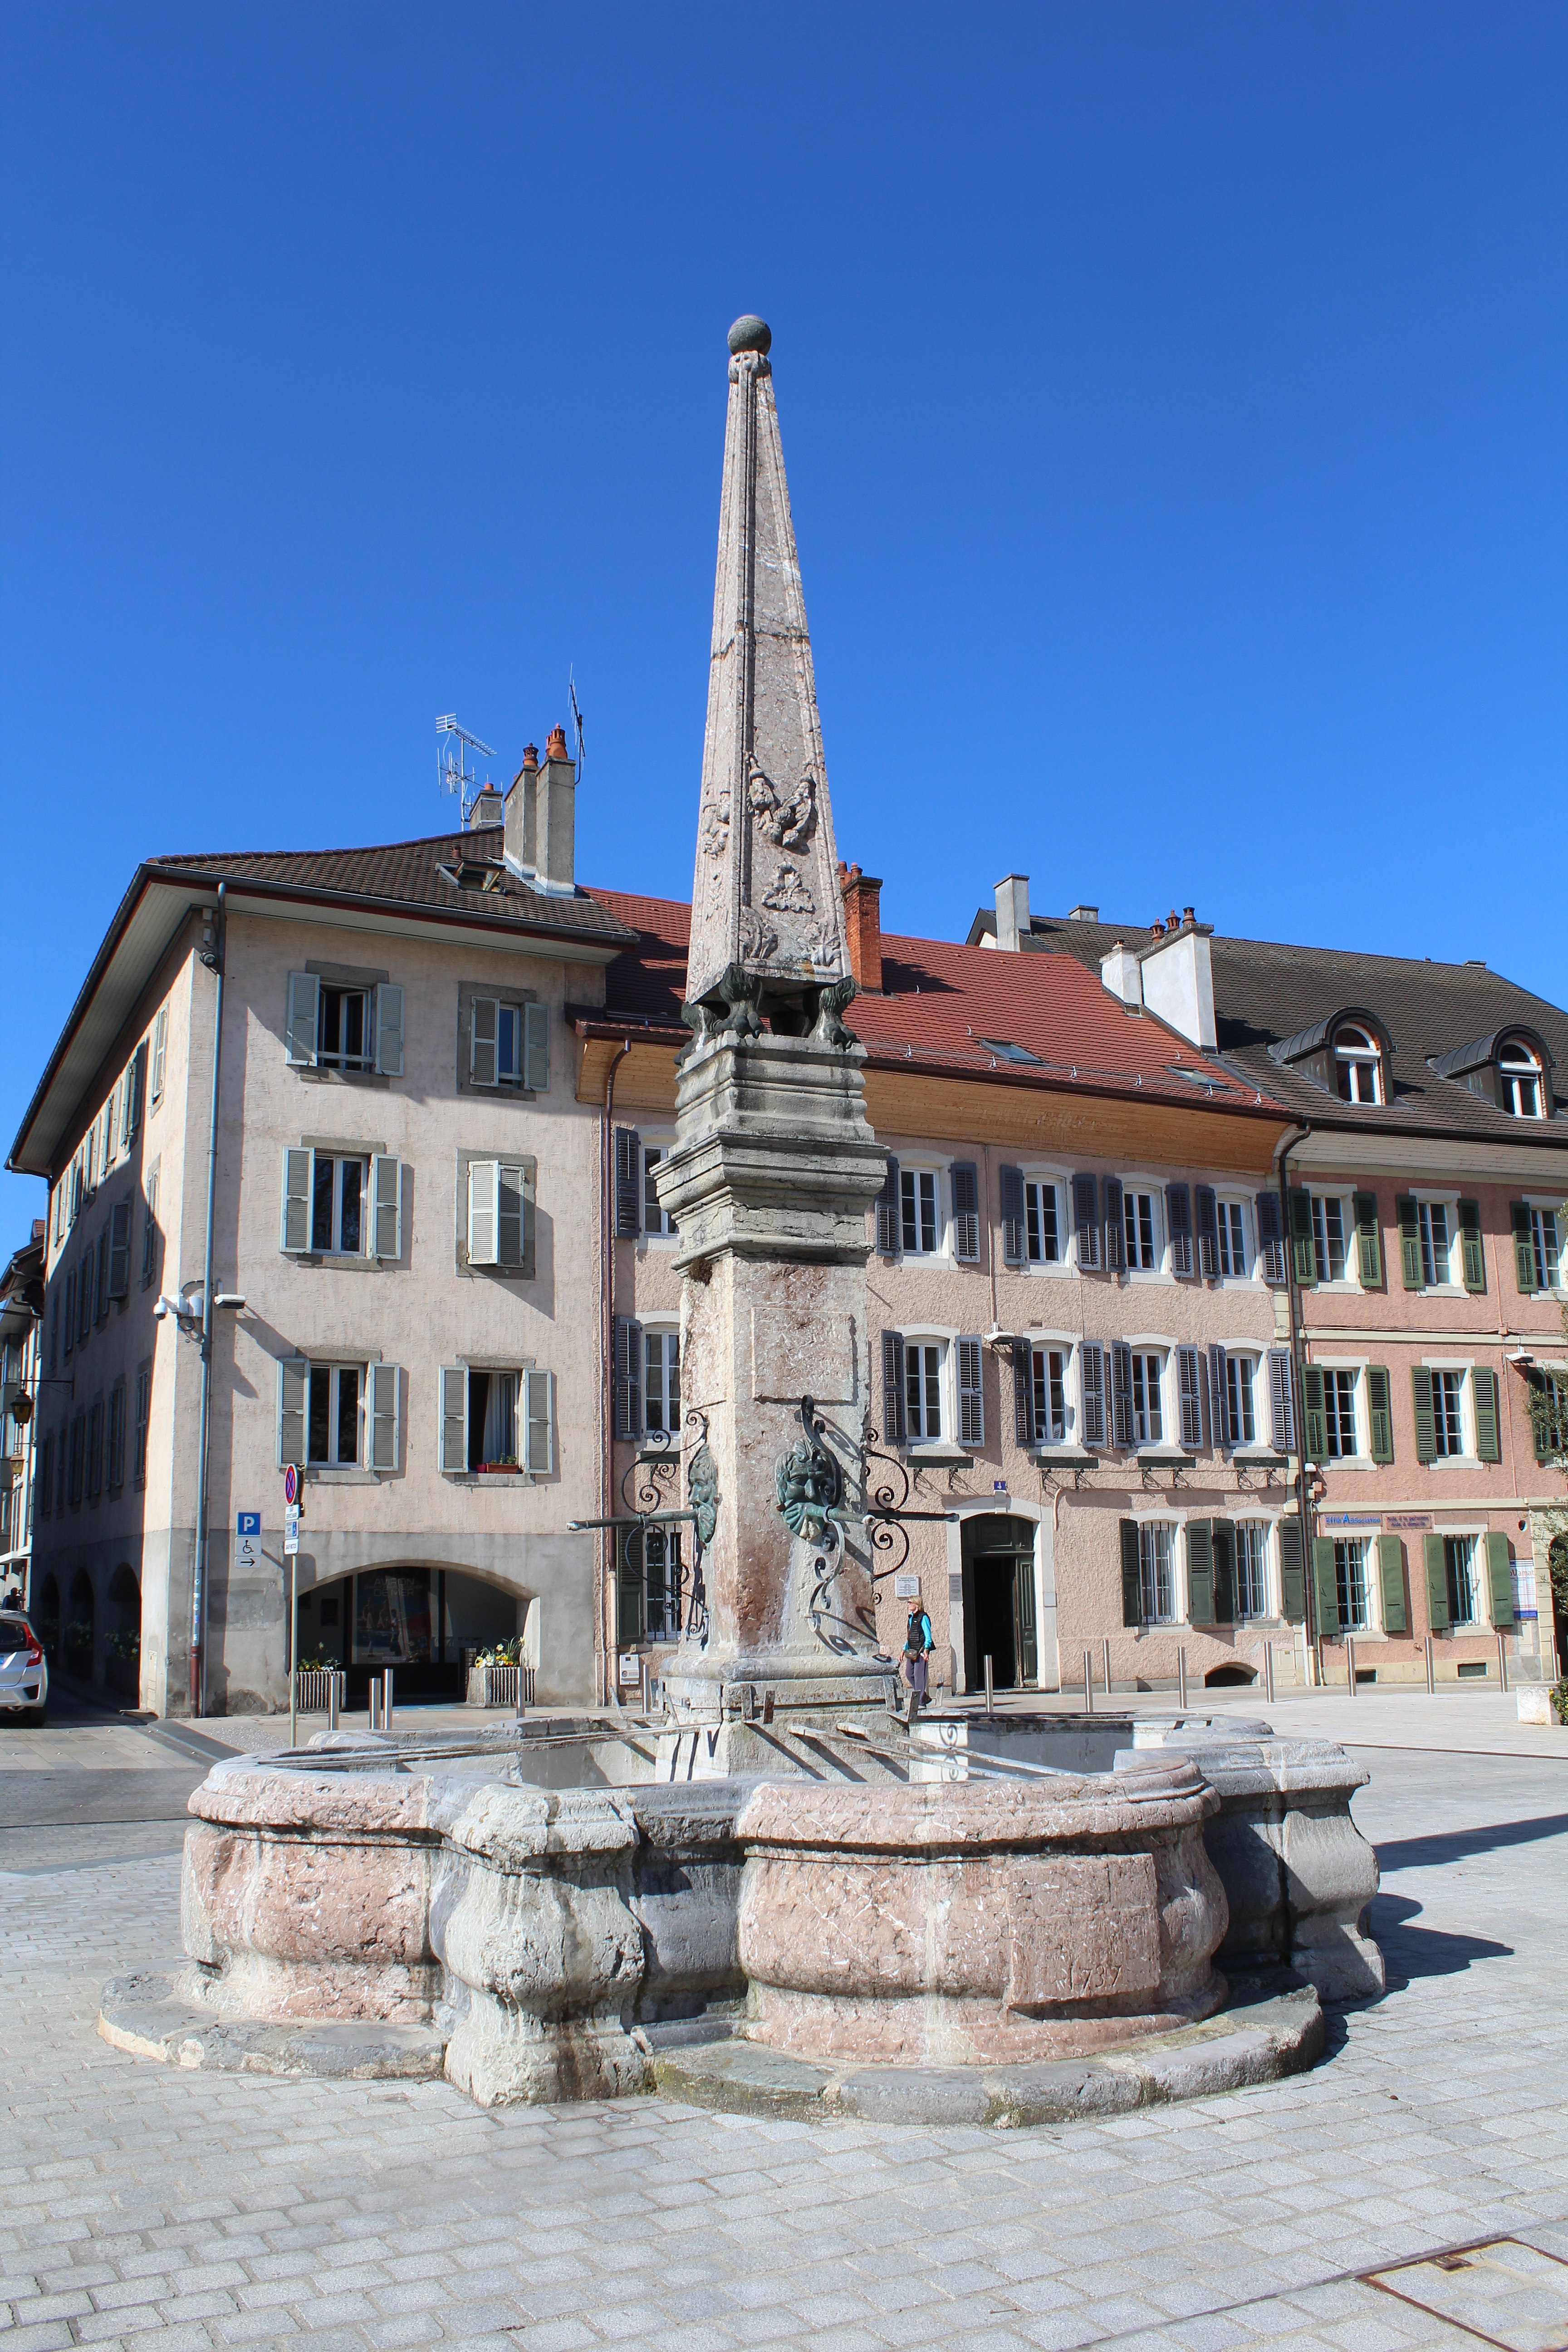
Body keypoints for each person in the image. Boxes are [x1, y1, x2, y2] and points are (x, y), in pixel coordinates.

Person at [902, 1601, 934, 1720]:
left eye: (910, 1602)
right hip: (911, 1650)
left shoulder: (923, 1617)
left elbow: (928, 1635)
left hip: (920, 1650)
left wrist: (926, 1649)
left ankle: (921, 1702)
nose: (908, 1604)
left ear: (917, 1604)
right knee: (909, 1674)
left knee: (919, 1675)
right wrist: (903, 1650)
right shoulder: (911, 1618)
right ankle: (923, 1696)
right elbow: (909, 1636)